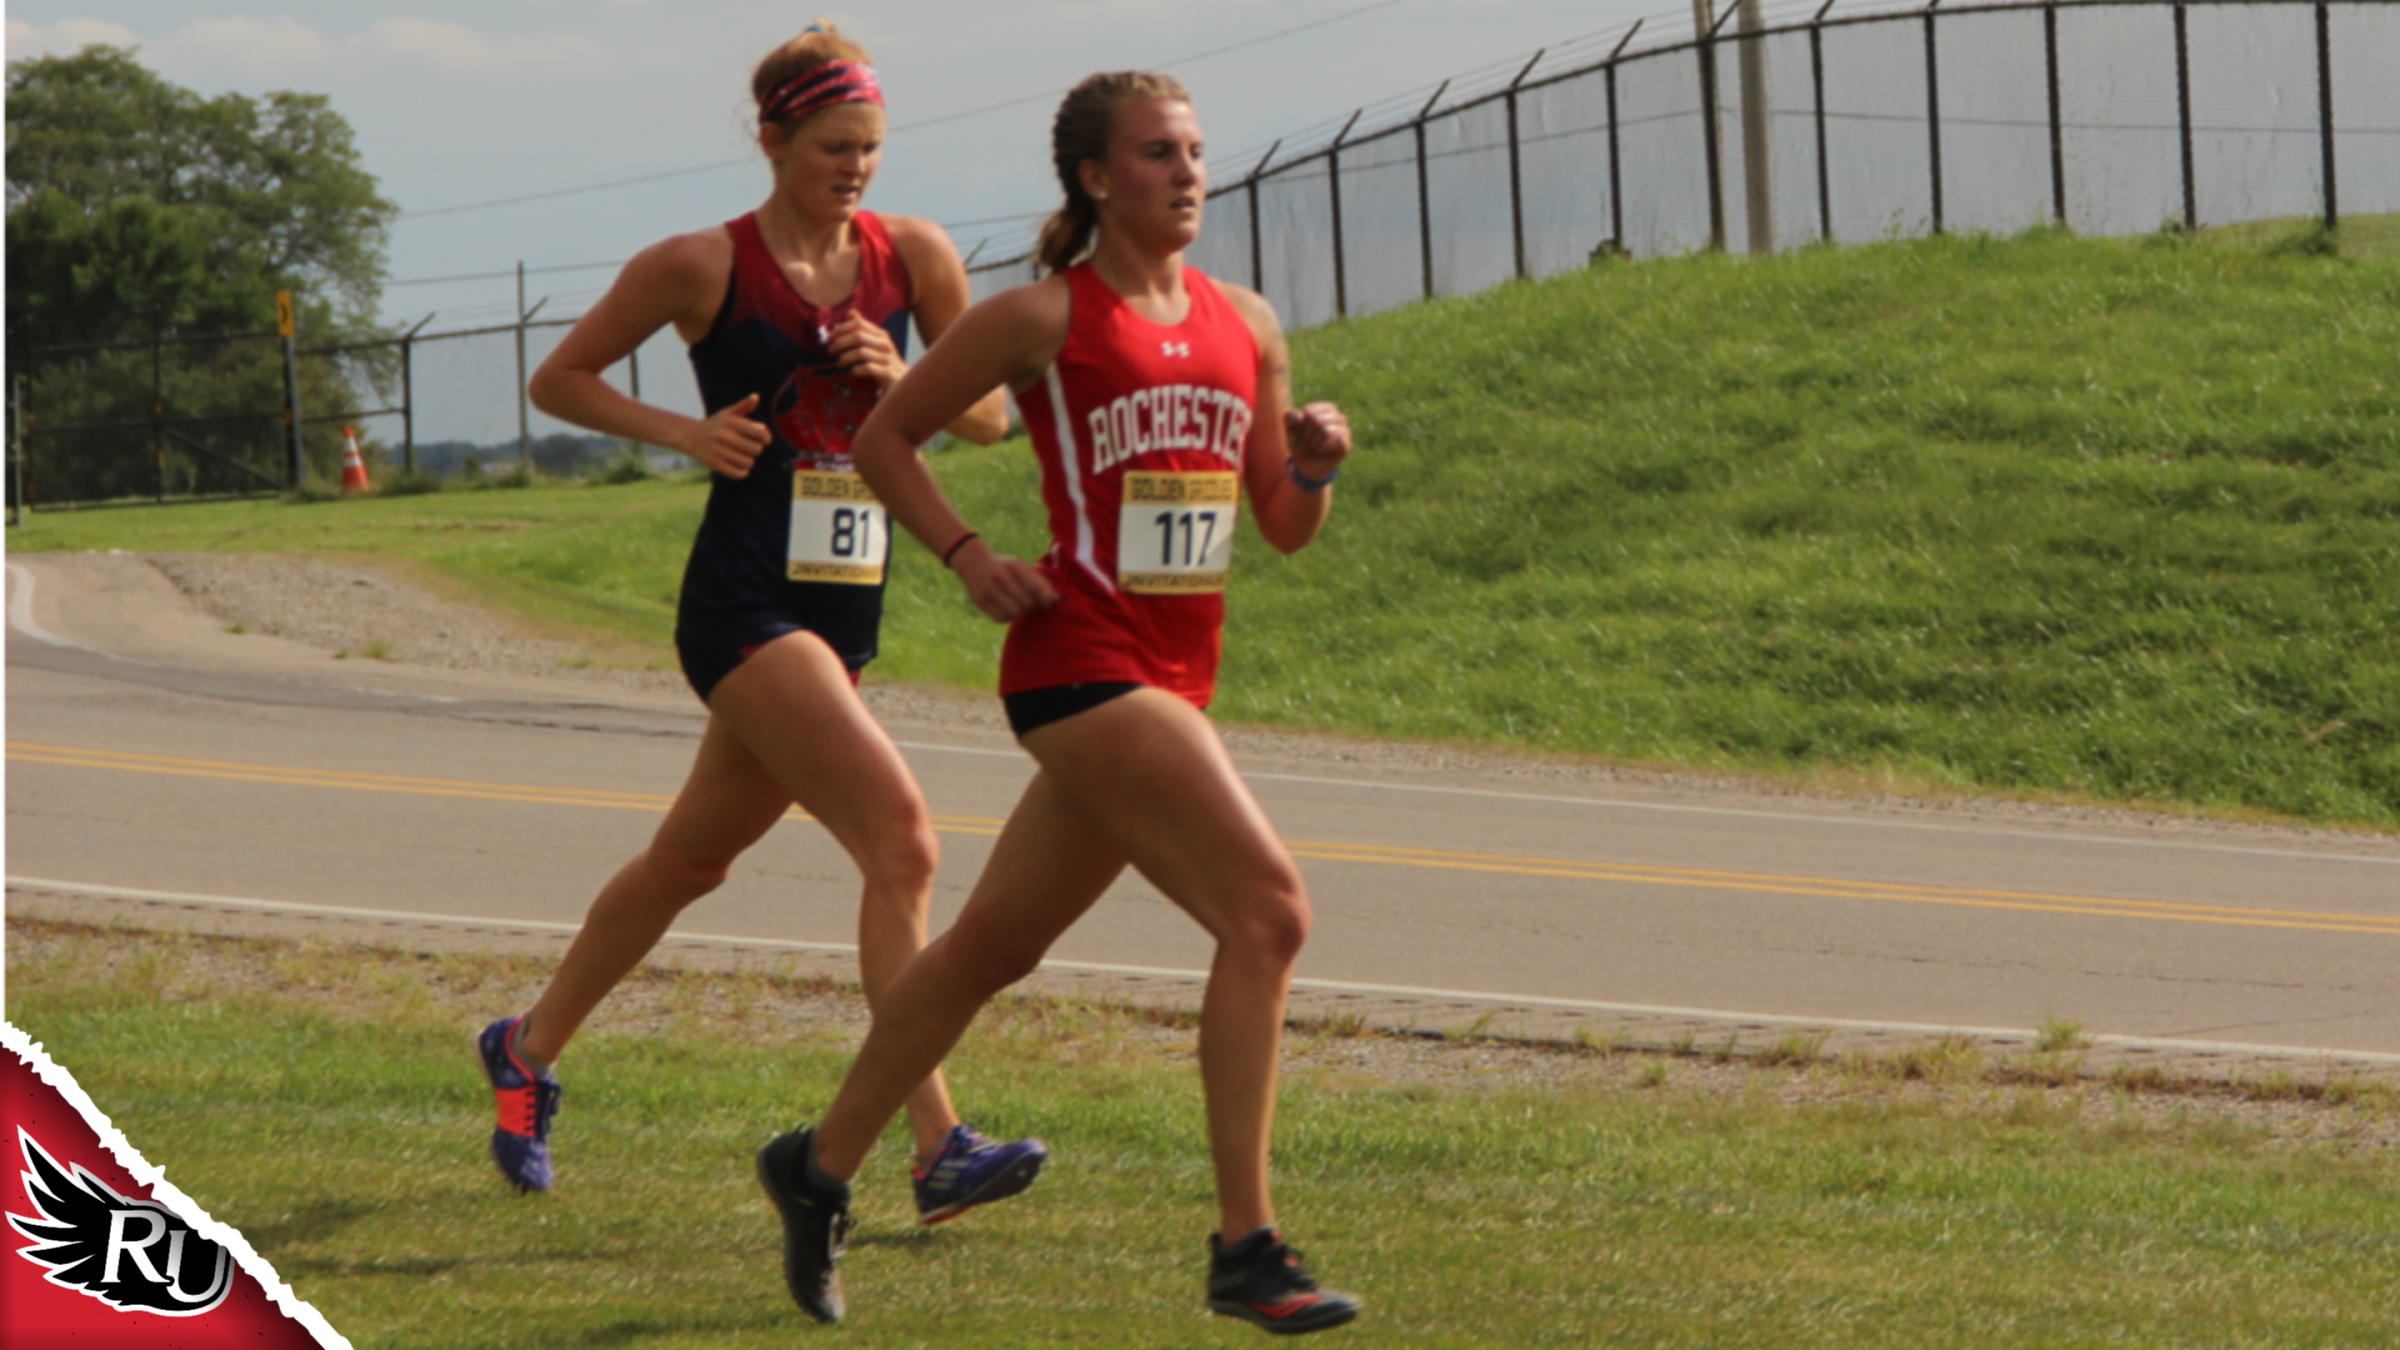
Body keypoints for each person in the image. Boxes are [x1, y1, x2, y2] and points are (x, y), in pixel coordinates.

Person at [751, 71, 1362, 1335]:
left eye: (1195, 151)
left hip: (1178, 670)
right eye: (1156, 154)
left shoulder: (1245, 321)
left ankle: (815, 1168)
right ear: (1094, 178)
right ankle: (1247, 1247)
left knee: (988, 950)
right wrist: (972, 557)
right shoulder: (1042, 316)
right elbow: (885, 440)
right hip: (1079, 664)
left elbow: (1283, 532)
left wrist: (1312, 468)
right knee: (1270, 913)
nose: (1186, 173)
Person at [474, 22, 1050, 1228]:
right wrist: (684, 434)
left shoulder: (916, 257)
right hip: (741, 605)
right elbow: (560, 379)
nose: (857, 168)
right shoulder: (701, 265)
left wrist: (906, 384)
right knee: (903, 841)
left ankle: (524, 1051)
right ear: (775, 138)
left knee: (694, 858)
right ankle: (936, 1143)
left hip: (844, 611)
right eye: (836, 145)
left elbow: (993, 417)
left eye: (874, 148)